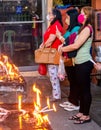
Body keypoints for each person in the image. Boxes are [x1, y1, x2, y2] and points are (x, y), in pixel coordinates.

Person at [58, 6, 95, 124]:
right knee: (80, 88)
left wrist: (63, 49)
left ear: (88, 16)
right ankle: (81, 113)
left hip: (84, 63)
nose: (81, 15)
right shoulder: (82, 28)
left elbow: (76, 45)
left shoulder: (88, 29)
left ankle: (86, 115)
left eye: (83, 13)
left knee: (85, 90)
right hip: (79, 62)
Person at [56, 8, 80, 111]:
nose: (65, 19)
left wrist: (59, 37)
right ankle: (71, 100)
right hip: (67, 58)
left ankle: (75, 102)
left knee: (74, 81)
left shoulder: (77, 29)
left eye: (68, 17)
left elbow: (70, 43)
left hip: (74, 59)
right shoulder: (70, 29)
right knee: (71, 80)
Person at [39, 8, 64, 101]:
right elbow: (47, 39)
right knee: (53, 75)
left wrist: (44, 46)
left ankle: (56, 96)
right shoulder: (52, 25)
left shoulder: (56, 25)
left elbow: (51, 40)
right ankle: (56, 94)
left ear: (55, 16)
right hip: (51, 53)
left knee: (53, 76)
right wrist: (43, 44)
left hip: (53, 54)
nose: (48, 15)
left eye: (50, 14)